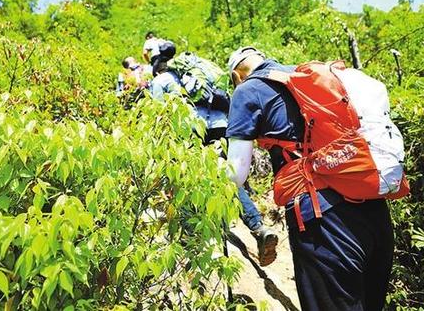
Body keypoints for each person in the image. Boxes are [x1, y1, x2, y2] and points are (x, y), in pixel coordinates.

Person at [225, 47, 396, 310]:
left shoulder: (247, 90)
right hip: (374, 210)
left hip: (322, 220)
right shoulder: (306, 75)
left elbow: (236, 174)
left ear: (237, 75)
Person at [150, 59, 279, 266]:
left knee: (187, 175)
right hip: (221, 126)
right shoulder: (203, 75)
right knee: (227, 179)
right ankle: (259, 228)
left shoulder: (162, 79)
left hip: (191, 127)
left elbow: (158, 110)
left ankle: (190, 237)